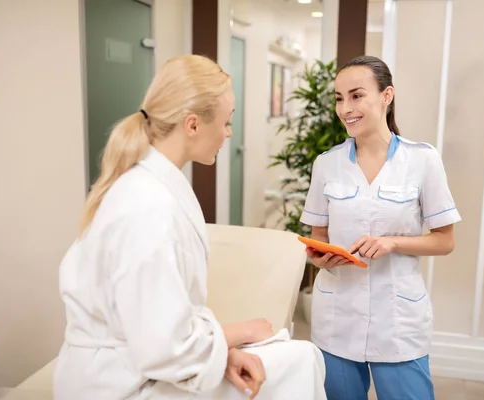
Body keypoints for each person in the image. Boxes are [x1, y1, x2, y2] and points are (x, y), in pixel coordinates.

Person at [53, 54, 327, 400]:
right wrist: (232, 336)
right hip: (121, 385)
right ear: (193, 125)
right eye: (227, 122)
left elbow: (162, 325)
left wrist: (221, 352)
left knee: (296, 357)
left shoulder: (149, 187)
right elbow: (163, 347)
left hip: (135, 365)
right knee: (298, 359)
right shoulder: (148, 209)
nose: (229, 133)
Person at [300, 55, 461, 400]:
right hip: (337, 319)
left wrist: (392, 243)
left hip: (398, 321)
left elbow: (445, 241)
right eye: (339, 98)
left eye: (357, 95)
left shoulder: (422, 160)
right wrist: (321, 258)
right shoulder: (326, 165)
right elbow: (318, 240)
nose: (346, 108)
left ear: (386, 96)